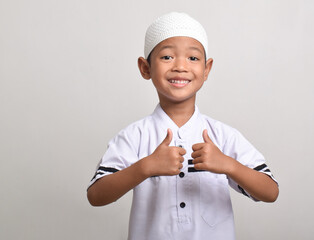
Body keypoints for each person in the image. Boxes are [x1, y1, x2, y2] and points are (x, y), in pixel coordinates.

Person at [87, 12, 279, 240]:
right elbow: (96, 196)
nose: (180, 66)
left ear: (207, 69)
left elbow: (270, 192)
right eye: (167, 57)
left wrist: (228, 165)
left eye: (193, 58)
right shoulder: (134, 136)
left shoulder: (222, 136)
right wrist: (145, 167)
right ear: (145, 68)